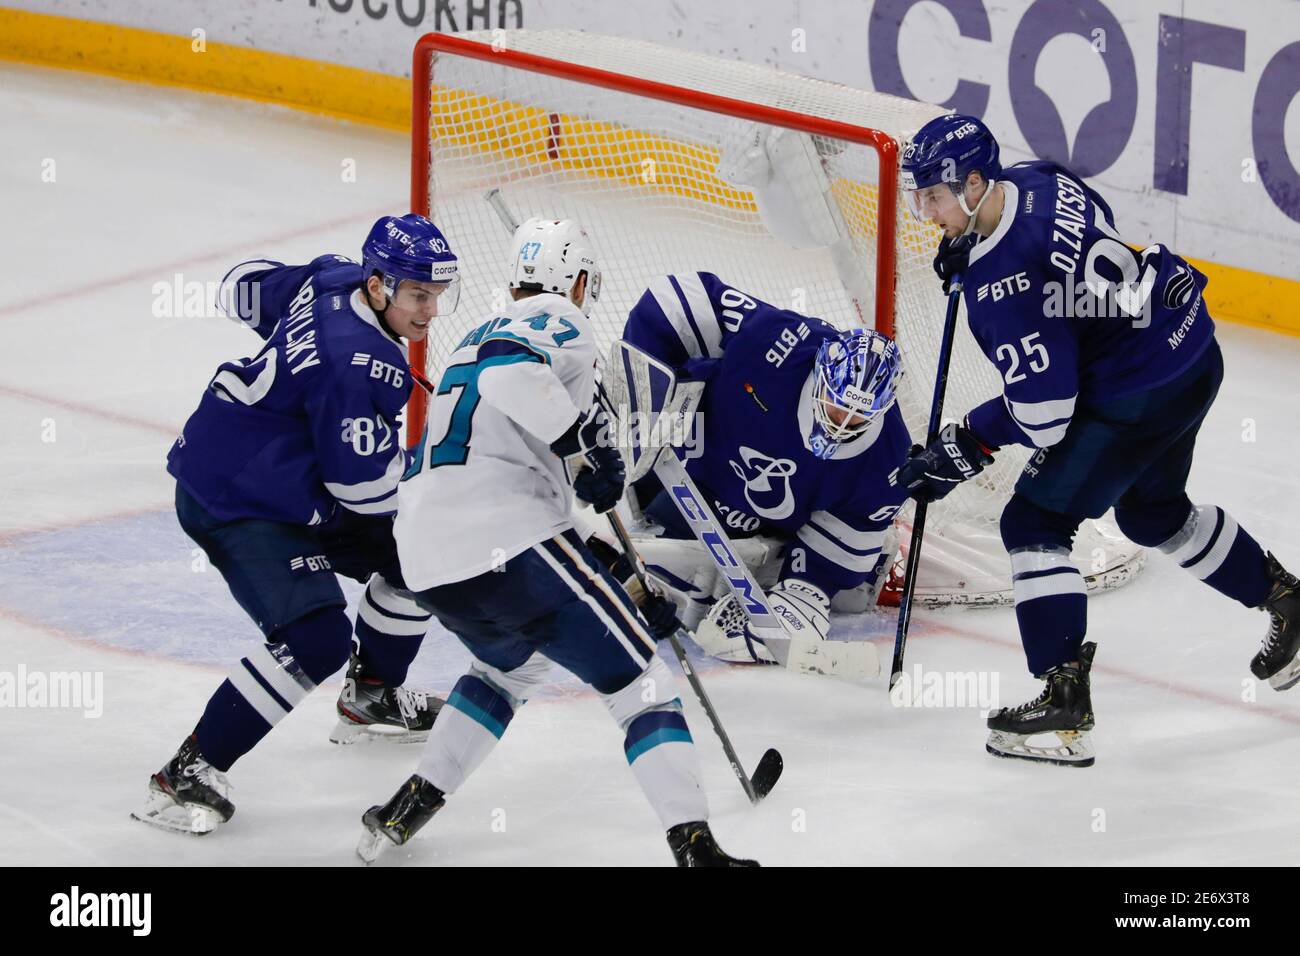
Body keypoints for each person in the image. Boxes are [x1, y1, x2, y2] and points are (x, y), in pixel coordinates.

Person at [897, 114, 1300, 767]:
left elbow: (1048, 414)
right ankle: (1288, 600)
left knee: (1033, 520)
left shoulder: (1001, 289)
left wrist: (967, 443)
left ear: (975, 184)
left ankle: (1062, 705)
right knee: (1150, 512)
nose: (926, 212)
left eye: (935, 196)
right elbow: (1095, 238)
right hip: (1192, 349)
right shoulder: (1038, 178)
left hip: (1138, 393)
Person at [359, 218, 756, 866]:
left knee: (507, 669)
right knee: (640, 686)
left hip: (428, 553)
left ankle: (407, 809)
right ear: (575, 281)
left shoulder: (471, 337)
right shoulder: (557, 320)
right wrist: (577, 443)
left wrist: (629, 591)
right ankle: (696, 848)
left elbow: (547, 501)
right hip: (506, 538)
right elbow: (509, 379)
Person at [133, 215, 456, 834]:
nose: (429, 313)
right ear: (381, 285)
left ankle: (372, 696)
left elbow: (242, 284)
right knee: (317, 639)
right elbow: (360, 490)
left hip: (267, 471)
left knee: (424, 556)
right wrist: (444, 488)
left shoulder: (333, 276)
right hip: (237, 497)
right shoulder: (358, 364)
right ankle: (187, 773)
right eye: (419, 295)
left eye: (437, 295)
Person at [617, 272, 912, 664]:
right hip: (677, 458)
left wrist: (806, 592)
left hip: (749, 525)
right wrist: (643, 397)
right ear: (821, 368)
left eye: (858, 416)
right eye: (836, 402)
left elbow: (847, 534)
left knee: (657, 599)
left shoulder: (889, 457)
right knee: (613, 563)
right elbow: (672, 299)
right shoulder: (781, 341)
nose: (840, 421)